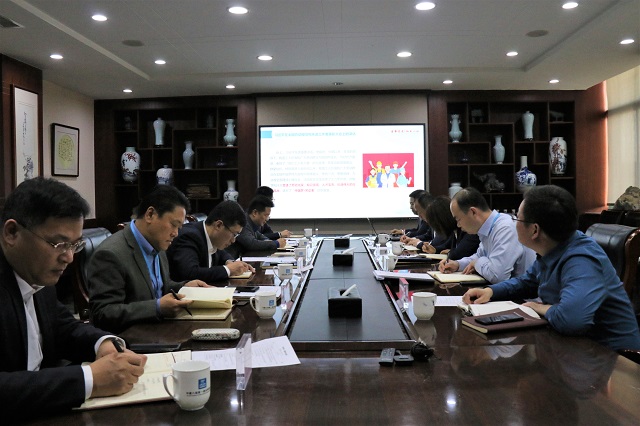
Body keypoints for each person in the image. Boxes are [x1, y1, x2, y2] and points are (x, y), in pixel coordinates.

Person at [0, 177, 146, 420]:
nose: (68, 257)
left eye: (75, 245)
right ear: (12, 232)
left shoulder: (36, 272)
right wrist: (89, 379)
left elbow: (62, 326)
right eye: (58, 244)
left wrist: (102, 343)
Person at [462, 185, 640, 351]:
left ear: (535, 230)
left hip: (613, 357)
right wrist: (491, 291)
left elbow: (571, 320)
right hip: (574, 347)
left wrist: (541, 308)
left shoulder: (581, 259)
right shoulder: (554, 247)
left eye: (517, 218)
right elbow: (528, 282)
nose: (514, 223)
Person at [88, 185, 209, 333]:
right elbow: (103, 314)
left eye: (179, 228)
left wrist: (185, 287)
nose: (176, 233)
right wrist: (157, 307)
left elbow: (158, 288)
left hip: (159, 330)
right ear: (150, 214)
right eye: (173, 225)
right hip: (130, 339)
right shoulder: (110, 254)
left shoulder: (157, 243)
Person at [439, 187, 535, 283]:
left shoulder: (505, 228)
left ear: (473, 212)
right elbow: (479, 256)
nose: (458, 225)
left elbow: (497, 276)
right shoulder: (488, 228)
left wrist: (477, 263)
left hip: (524, 291)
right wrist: (457, 264)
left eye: (458, 219)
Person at [166, 200, 255, 283]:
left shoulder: (212, 237)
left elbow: (221, 253)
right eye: (234, 234)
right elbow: (190, 273)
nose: (233, 240)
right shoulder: (190, 237)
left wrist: (231, 262)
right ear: (218, 225)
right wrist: (228, 270)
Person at [421, 195, 479, 260]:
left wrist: (450, 252)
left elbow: (459, 254)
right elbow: (446, 246)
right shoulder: (454, 230)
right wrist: (435, 250)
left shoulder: (468, 229)